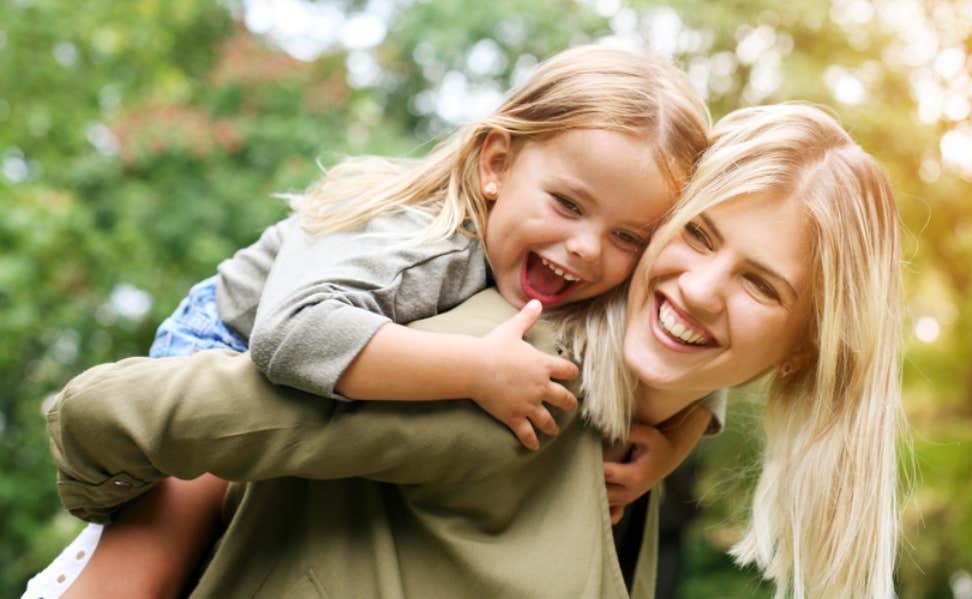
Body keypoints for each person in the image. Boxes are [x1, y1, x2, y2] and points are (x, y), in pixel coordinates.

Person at [43, 103, 903, 597]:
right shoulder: (499, 382)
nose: (702, 287)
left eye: (761, 285)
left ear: (801, 352)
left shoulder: (638, 440)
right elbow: (105, 410)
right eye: (699, 235)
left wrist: (679, 433)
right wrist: (133, 518)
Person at [23, 44, 715, 599]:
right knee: (157, 559)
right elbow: (290, 334)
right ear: (498, 163)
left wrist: (674, 442)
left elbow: (687, 355)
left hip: (334, 351)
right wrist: (477, 371)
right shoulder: (419, 246)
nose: (587, 248)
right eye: (568, 204)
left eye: (629, 237)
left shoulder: (575, 275)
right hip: (230, 336)